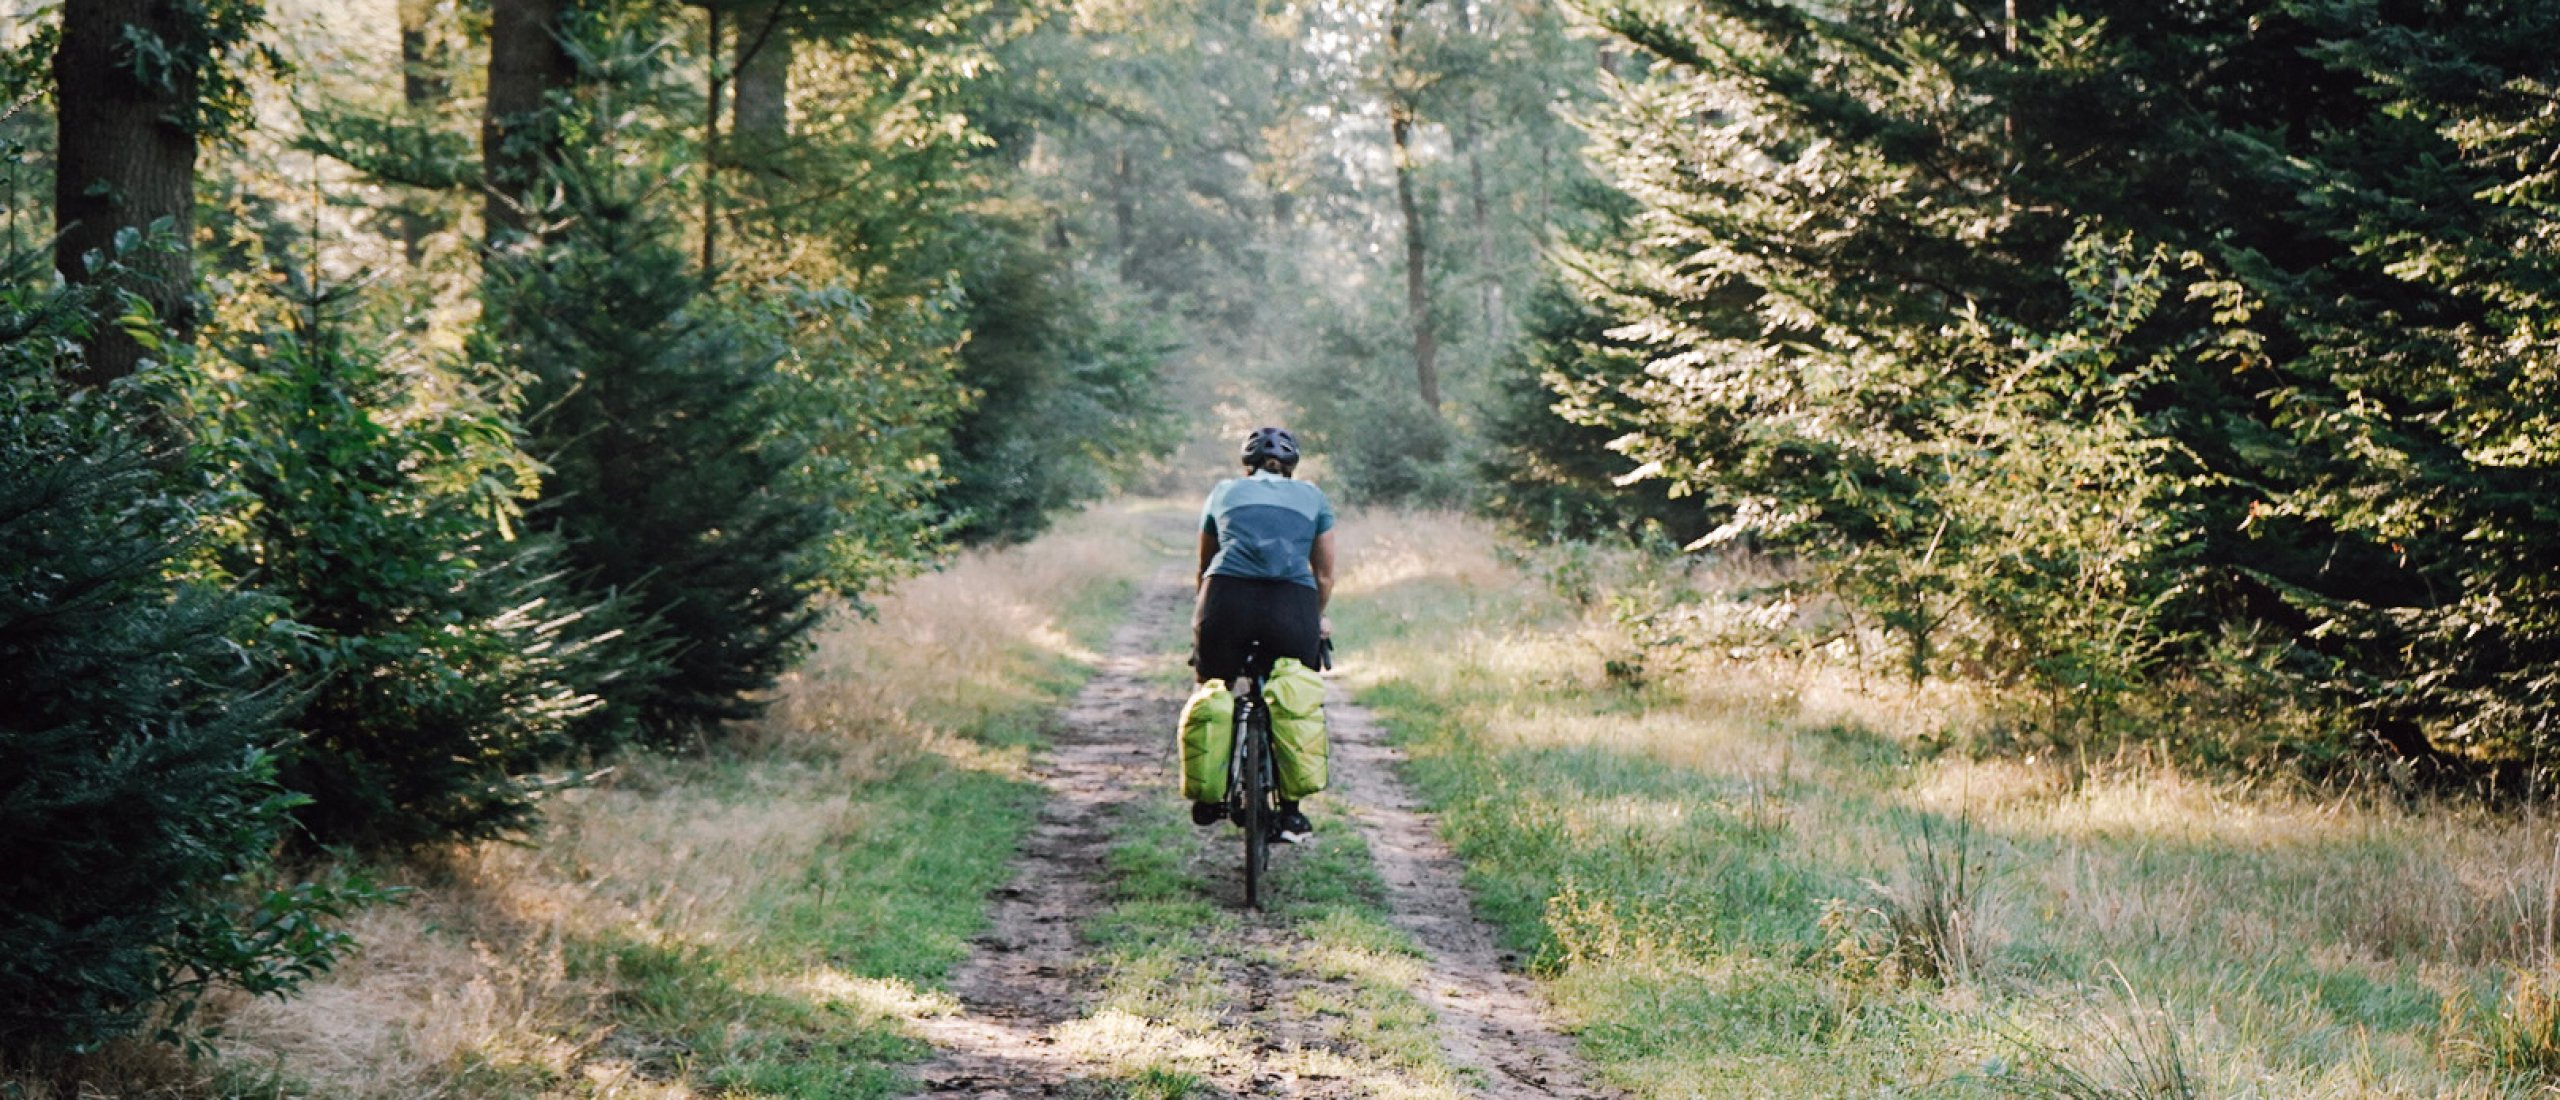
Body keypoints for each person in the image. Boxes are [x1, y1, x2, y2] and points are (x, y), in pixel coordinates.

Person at [1193, 425, 1335, 844]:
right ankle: (1291, 812)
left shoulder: (1223, 492)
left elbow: (1204, 569)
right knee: (1295, 693)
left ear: (1247, 464)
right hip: (1291, 604)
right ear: (1292, 467)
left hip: (1228, 598)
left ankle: (1209, 791)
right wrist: (1316, 617)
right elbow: (1324, 575)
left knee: (1212, 685)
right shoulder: (1314, 497)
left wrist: (1202, 622)